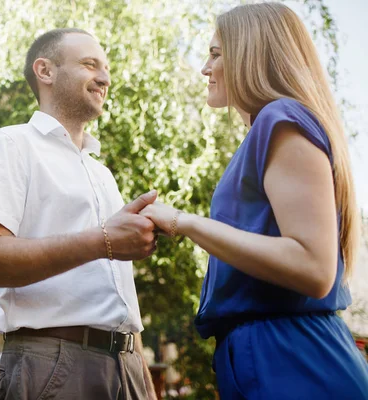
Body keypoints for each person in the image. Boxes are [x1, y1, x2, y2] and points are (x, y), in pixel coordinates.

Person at [141, 3, 368, 399]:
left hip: (292, 358)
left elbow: (314, 267)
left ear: (251, 53)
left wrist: (185, 222)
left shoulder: (280, 119)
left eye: (215, 53)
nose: (204, 68)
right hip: (275, 355)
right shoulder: (271, 127)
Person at [0, 28, 157, 400]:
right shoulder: (10, 144)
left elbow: (118, 298)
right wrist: (104, 240)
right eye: (90, 64)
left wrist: (141, 377)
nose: (105, 78)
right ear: (45, 71)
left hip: (128, 366)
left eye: (106, 68)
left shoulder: (102, 173)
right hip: (53, 361)